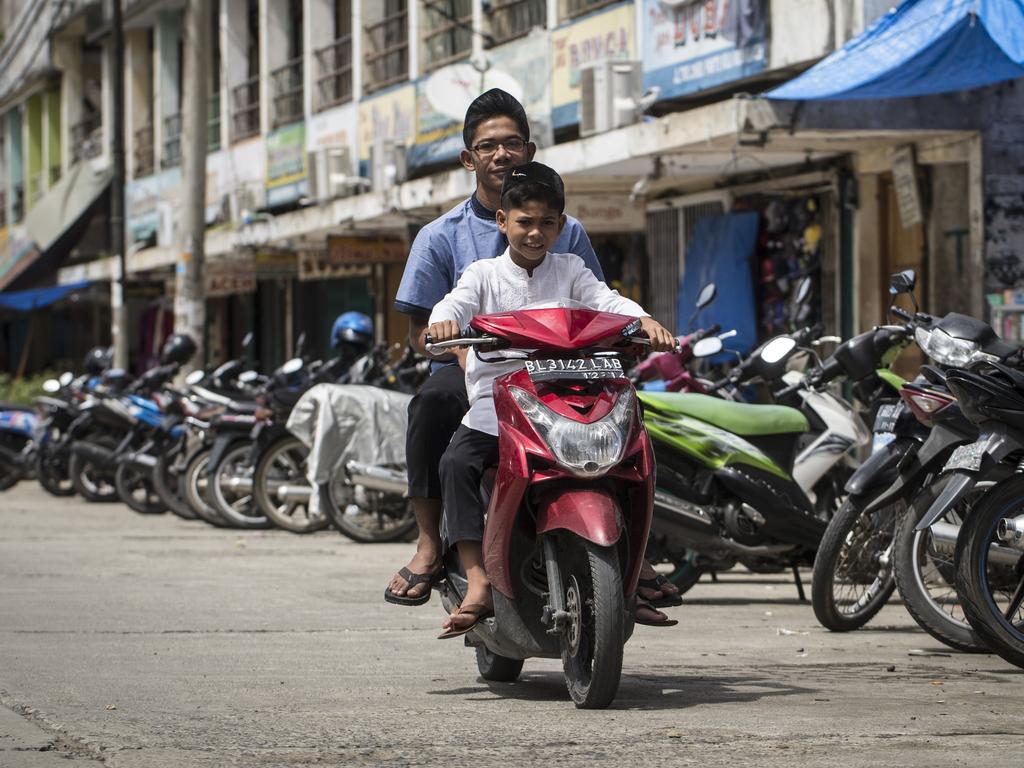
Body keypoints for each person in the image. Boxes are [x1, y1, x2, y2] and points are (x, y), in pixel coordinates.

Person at [386, 89, 681, 618]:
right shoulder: (443, 239)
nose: (501, 154)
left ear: (530, 149)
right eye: (488, 146)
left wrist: (642, 321)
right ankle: (433, 544)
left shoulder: (568, 245)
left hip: (562, 368)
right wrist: (459, 346)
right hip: (478, 370)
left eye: (512, 143)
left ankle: (630, 556)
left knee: (633, 425)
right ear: (469, 158)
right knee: (434, 405)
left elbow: (600, 300)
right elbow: (425, 324)